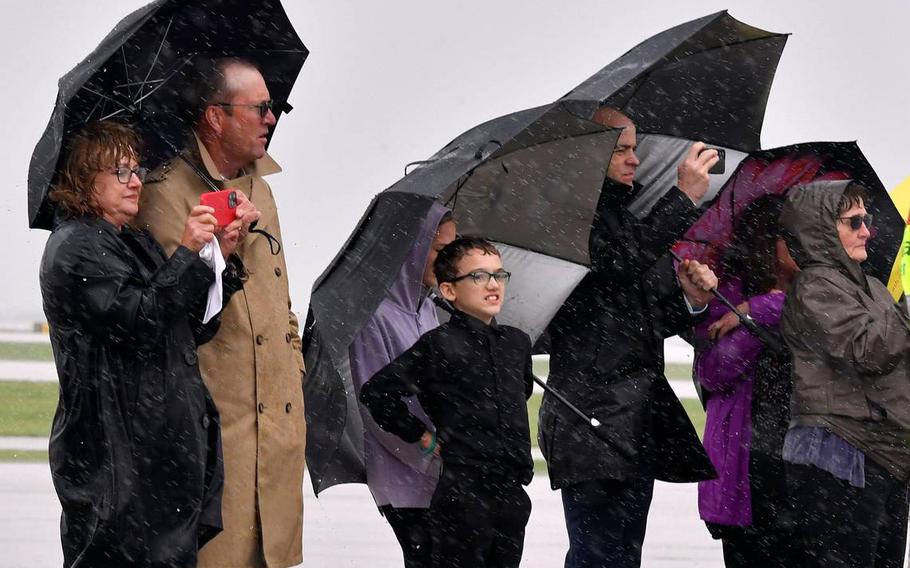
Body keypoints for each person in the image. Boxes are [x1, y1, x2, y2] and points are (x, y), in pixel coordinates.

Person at [40, 120, 254, 567]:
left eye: (136, 170)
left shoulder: (129, 242)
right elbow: (141, 322)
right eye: (121, 171)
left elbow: (189, 328)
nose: (136, 181)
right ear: (85, 178)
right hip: (118, 456)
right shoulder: (76, 247)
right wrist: (188, 253)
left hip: (157, 455)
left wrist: (221, 259)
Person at [135, 57, 306, 567]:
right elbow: (171, 310)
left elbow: (281, 300)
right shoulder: (164, 192)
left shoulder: (261, 187)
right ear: (215, 117)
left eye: (272, 107)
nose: (271, 118)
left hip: (278, 428)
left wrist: (293, 367)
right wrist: (216, 256)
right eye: (259, 108)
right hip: (217, 430)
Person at [538, 107, 720, 568]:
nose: (634, 159)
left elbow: (648, 319)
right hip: (591, 417)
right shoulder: (570, 219)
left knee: (621, 555)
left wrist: (691, 299)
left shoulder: (627, 220)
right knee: (598, 554)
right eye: (621, 148)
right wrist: (682, 198)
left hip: (633, 420)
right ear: (590, 154)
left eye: (634, 147)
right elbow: (616, 266)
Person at [360, 237, 534, 568]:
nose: (493, 284)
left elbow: (517, 394)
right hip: (464, 493)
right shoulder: (438, 345)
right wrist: (421, 436)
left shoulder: (516, 343)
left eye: (499, 275)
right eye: (479, 277)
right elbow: (377, 392)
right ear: (449, 291)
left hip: (511, 493)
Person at [780, 180, 910, 568]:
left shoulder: (872, 286)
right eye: (854, 222)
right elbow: (867, 350)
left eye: (866, 219)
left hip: (887, 456)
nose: (867, 230)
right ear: (822, 230)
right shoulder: (814, 286)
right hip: (841, 454)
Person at [693, 195, 801, 567]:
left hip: (797, 464)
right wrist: (754, 319)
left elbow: (820, 313)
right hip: (748, 465)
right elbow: (713, 371)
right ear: (768, 243)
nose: (805, 245)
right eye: (793, 237)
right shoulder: (727, 291)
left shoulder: (813, 291)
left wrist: (763, 308)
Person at [348, 204, 456, 567]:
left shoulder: (429, 308)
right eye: (441, 250)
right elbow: (374, 408)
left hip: (442, 475)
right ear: (413, 245)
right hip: (405, 480)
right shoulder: (373, 316)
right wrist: (431, 452)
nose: (450, 261)